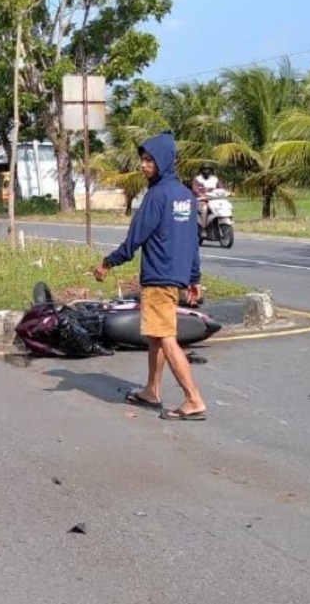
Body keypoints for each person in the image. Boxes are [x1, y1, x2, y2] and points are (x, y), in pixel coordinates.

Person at [92, 131, 207, 422]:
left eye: (149, 160)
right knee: (156, 336)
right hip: (176, 279)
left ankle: (193, 399)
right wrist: (194, 278)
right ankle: (151, 391)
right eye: (142, 160)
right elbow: (193, 242)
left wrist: (107, 263)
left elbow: (135, 239)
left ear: (163, 161)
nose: (143, 165)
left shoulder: (157, 196)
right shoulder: (185, 196)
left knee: (166, 338)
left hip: (158, 278)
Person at [191, 162, 224, 236]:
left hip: (213, 200)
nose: (206, 171)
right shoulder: (197, 179)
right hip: (201, 201)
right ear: (201, 171)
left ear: (211, 171)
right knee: (204, 208)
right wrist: (200, 194)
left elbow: (221, 188)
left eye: (208, 169)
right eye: (204, 169)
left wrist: (225, 192)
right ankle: (204, 229)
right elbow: (195, 189)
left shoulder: (215, 179)